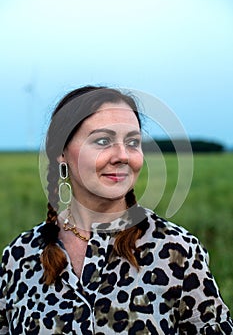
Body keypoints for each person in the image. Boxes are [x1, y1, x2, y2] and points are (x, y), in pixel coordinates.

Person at [0, 86, 232, 335]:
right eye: (103, 141)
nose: (123, 156)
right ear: (61, 152)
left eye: (133, 142)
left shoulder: (178, 253)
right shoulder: (20, 256)